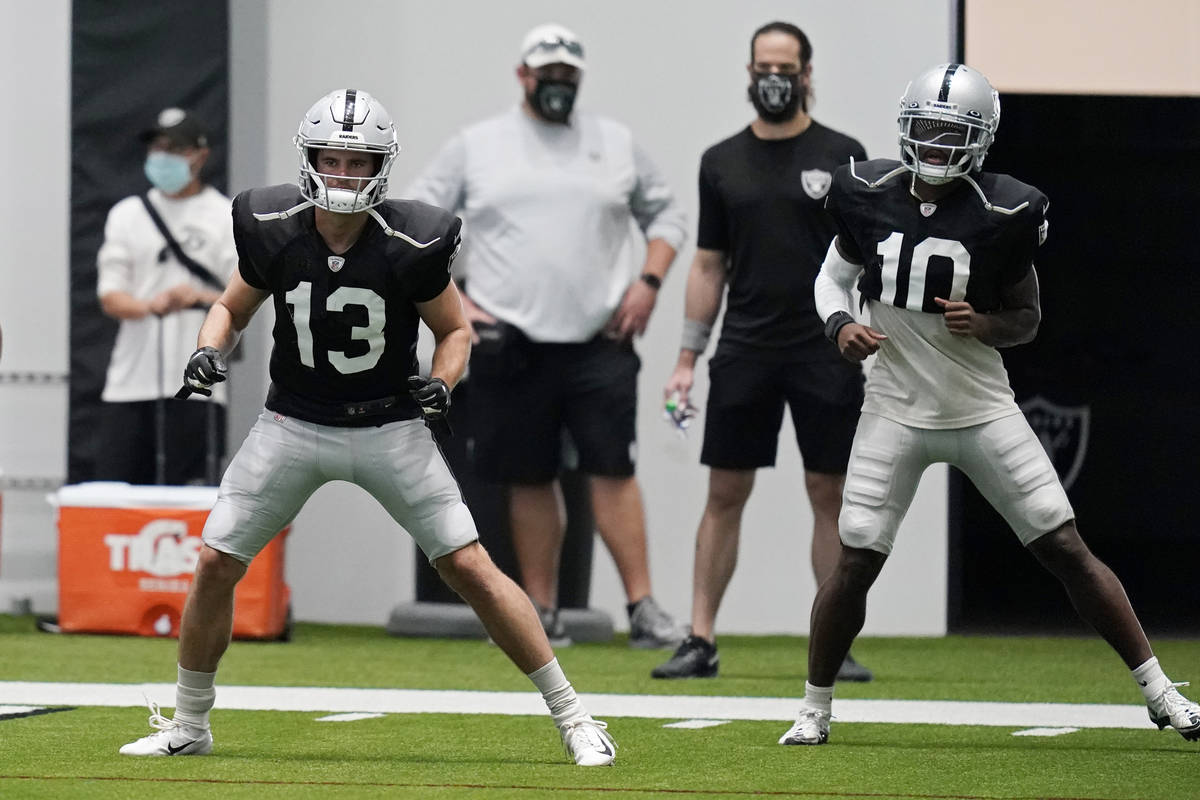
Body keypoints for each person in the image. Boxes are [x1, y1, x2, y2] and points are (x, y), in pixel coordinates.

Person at [119, 89, 616, 766]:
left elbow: (456, 331)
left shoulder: (410, 240)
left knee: (469, 565)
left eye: (360, 162)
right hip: (292, 423)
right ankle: (189, 723)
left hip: (389, 427)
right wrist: (209, 349)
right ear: (311, 158)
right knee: (213, 562)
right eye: (334, 158)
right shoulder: (274, 225)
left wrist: (443, 383)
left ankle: (574, 716)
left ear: (381, 166)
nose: (345, 175)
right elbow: (230, 308)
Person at [778, 63, 1200, 746]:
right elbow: (831, 280)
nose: (938, 146)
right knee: (855, 558)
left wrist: (986, 322)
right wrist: (839, 327)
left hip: (980, 408)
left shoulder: (1005, 209)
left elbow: (1028, 317)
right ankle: (814, 709)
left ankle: (1160, 693)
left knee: (1063, 544)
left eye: (954, 134)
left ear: (981, 141)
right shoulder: (864, 191)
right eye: (928, 130)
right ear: (906, 127)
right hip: (893, 407)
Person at [404, 23, 688, 648]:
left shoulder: (614, 143)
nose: (558, 84)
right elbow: (417, 223)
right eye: (547, 73)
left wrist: (648, 282)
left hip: (599, 340)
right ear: (523, 75)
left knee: (612, 468)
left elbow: (667, 214)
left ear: (579, 79)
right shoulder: (478, 145)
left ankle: (643, 608)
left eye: (569, 75)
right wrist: (459, 302)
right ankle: (540, 607)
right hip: (513, 339)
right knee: (529, 475)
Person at [652, 22, 871, 683]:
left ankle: (833, 642)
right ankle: (700, 639)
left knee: (828, 494)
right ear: (750, 72)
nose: (773, 78)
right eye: (763, 66)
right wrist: (686, 360)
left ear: (807, 74)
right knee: (725, 492)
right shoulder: (720, 161)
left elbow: (867, 260)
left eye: (786, 67)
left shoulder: (844, 155)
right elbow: (708, 265)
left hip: (824, 347)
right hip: (744, 348)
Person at [95, 108, 235, 485]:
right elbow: (110, 296)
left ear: (200, 156)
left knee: (188, 494)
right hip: (130, 383)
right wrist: (149, 306)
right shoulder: (128, 214)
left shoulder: (224, 216)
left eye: (174, 149)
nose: (162, 157)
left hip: (196, 387)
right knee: (117, 494)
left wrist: (198, 297)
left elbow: (241, 297)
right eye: (157, 148)